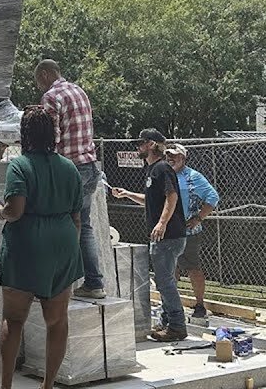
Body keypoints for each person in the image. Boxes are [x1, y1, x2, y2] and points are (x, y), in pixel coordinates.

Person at [0, 106, 84, 389]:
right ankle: (48, 385)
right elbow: (77, 217)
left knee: (14, 319)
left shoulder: (19, 165)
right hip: (64, 243)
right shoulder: (70, 167)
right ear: (54, 134)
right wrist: (67, 248)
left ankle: (6, 386)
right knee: (56, 321)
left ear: (24, 134)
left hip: (26, 246)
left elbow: (15, 210)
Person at [35, 59, 104, 298]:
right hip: (89, 165)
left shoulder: (51, 97)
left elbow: (50, 138)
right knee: (83, 226)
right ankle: (94, 283)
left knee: (58, 225)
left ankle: (57, 285)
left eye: (38, 81)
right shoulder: (79, 90)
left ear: (45, 74)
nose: (38, 87)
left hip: (69, 170)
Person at [110, 128, 188, 341]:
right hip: (166, 236)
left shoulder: (162, 168)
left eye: (141, 143)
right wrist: (127, 194)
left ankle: (177, 326)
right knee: (165, 280)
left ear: (152, 144)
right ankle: (166, 323)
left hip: (168, 236)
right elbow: (152, 200)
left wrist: (162, 223)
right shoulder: (153, 169)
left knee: (164, 282)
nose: (138, 147)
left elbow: (171, 197)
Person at [164, 145, 219, 320]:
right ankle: (172, 306)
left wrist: (198, 218)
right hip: (168, 231)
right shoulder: (164, 174)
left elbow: (212, 197)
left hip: (188, 233)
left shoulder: (193, 177)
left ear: (183, 158)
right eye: (168, 156)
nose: (171, 159)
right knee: (170, 269)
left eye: (175, 156)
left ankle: (200, 304)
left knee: (193, 268)